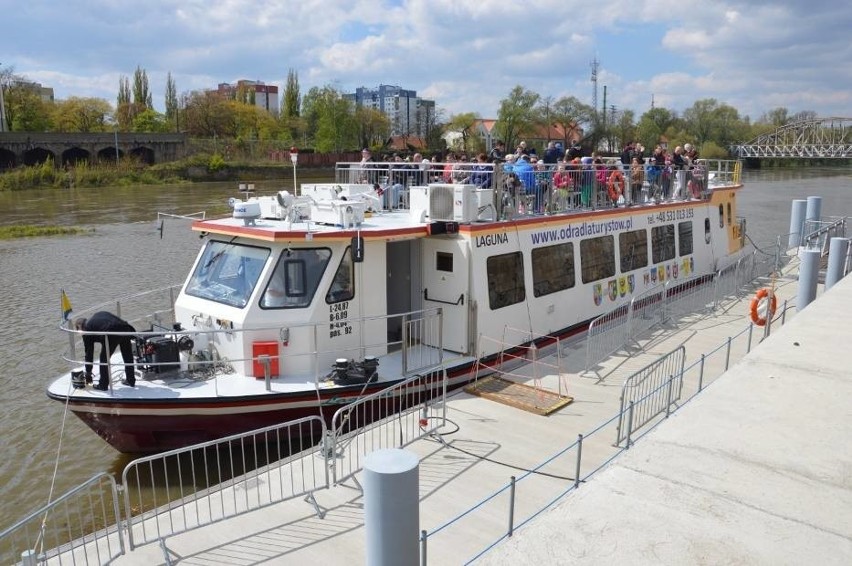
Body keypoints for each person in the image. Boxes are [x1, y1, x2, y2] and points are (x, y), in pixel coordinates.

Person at [74, 312, 136, 389]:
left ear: (79, 327)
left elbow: (89, 353)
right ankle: (131, 380)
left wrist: (88, 372)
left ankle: (103, 385)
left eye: (77, 329)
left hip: (111, 332)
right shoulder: (96, 317)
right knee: (127, 355)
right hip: (125, 328)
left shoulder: (87, 331)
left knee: (104, 359)